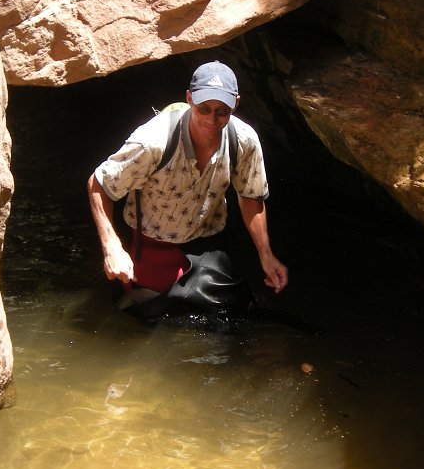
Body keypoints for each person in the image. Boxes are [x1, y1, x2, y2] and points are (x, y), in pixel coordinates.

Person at [87, 61, 288, 311]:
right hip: (150, 243)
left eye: (222, 111)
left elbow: (251, 196)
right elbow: (99, 183)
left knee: (231, 312)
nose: (212, 119)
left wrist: (265, 254)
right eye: (204, 108)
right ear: (189, 99)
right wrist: (112, 246)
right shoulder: (152, 143)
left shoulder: (244, 141)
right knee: (146, 316)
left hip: (206, 240)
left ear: (236, 103)